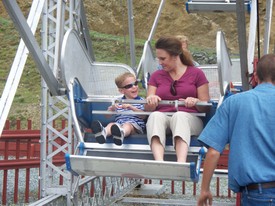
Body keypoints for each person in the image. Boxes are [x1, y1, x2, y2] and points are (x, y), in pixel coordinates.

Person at [197, 54, 275, 206]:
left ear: (256, 76)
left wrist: (205, 189)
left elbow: (213, 151)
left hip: (257, 195)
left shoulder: (234, 103)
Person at [145, 36, 210, 162]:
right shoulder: (156, 76)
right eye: (158, 58)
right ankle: (159, 162)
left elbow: (205, 105)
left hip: (189, 119)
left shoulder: (197, 74)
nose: (160, 63)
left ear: (175, 56)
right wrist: (151, 101)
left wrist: (196, 102)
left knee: (179, 116)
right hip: (164, 117)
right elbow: (147, 108)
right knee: (155, 116)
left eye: (163, 59)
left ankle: (181, 163)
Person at [91, 72, 146, 146]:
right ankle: (103, 133)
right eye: (129, 86)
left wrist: (131, 107)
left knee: (128, 125)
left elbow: (144, 116)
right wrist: (111, 109)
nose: (134, 87)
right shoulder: (118, 101)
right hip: (118, 125)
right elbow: (107, 116)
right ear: (121, 91)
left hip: (135, 126)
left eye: (135, 83)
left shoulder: (141, 101)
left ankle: (121, 133)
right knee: (111, 124)